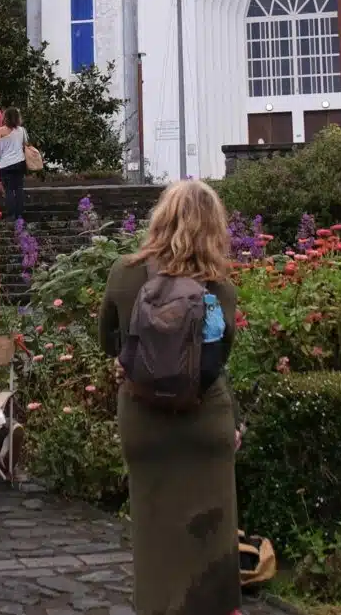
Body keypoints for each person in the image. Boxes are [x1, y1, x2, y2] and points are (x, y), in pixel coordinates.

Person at [96, 180, 243, 615]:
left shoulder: (125, 273)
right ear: (214, 228)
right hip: (203, 423)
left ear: (160, 218)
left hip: (143, 421)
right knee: (210, 538)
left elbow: (107, 340)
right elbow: (218, 360)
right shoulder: (219, 287)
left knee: (154, 537)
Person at [0, 108, 29, 227]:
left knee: (9, 190)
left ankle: (11, 215)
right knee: (19, 189)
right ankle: (20, 215)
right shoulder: (22, 130)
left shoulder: (1, 131)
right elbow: (25, 145)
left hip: (5, 164)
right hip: (19, 162)